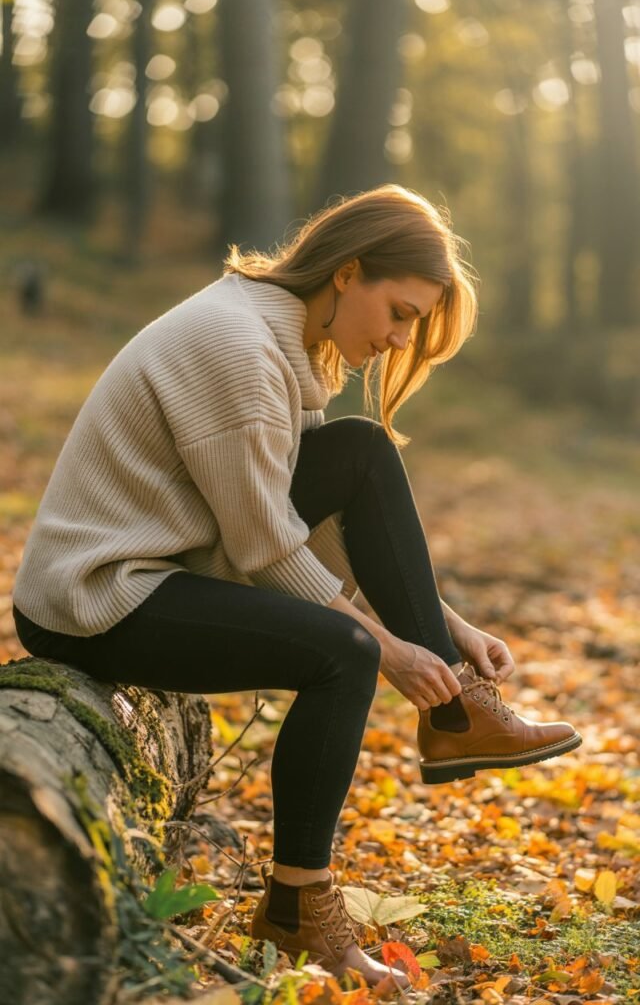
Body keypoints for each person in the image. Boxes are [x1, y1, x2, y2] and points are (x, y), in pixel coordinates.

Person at [11, 184, 581, 987]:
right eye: (401, 313)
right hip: (96, 597)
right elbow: (264, 544)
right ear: (347, 273)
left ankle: (459, 709)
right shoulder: (237, 351)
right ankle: (298, 910)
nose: (395, 338)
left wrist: (446, 631)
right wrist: (388, 650)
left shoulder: (276, 333)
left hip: (169, 563)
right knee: (342, 651)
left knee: (359, 453)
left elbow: (305, 517)